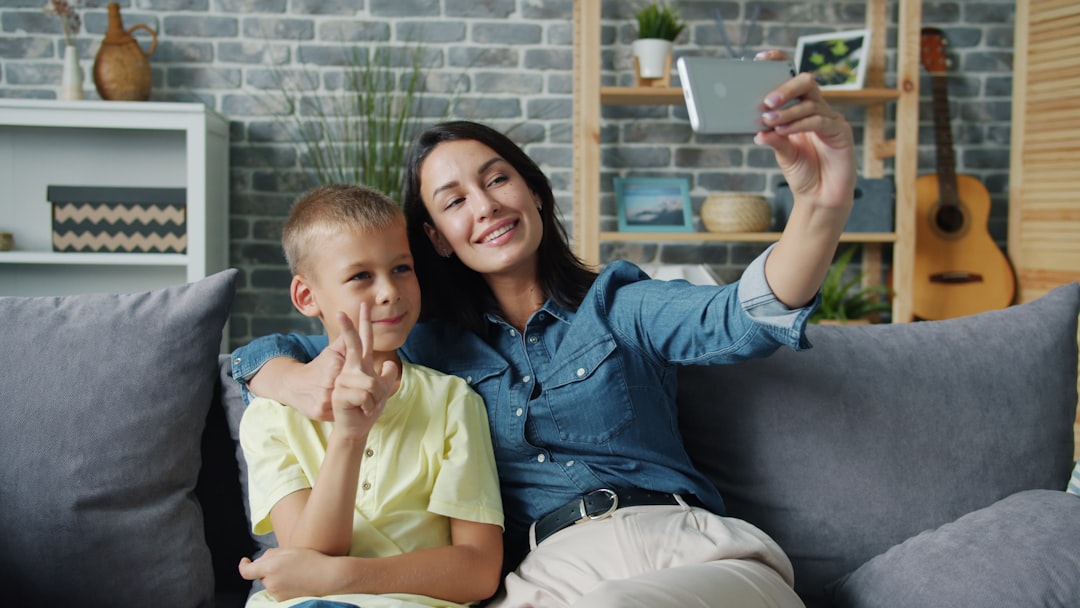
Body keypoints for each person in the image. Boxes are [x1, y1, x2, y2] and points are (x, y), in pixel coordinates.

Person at [231, 50, 856, 607]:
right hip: (549, 575)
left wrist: (820, 203)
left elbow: (744, 315)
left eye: (497, 178)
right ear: (436, 240)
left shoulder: (619, 305)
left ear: (534, 191)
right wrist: (289, 381)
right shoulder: (426, 343)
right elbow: (275, 351)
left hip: (687, 551)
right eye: (454, 201)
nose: (485, 206)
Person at [236, 184, 504, 608]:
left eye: (401, 268)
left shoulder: (452, 401)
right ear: (307, 296)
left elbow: (479, 570)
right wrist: (349, 435)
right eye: (361, 276)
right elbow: (306, 563)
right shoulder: (270, 416)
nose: (389, 291)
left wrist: (343, 578)